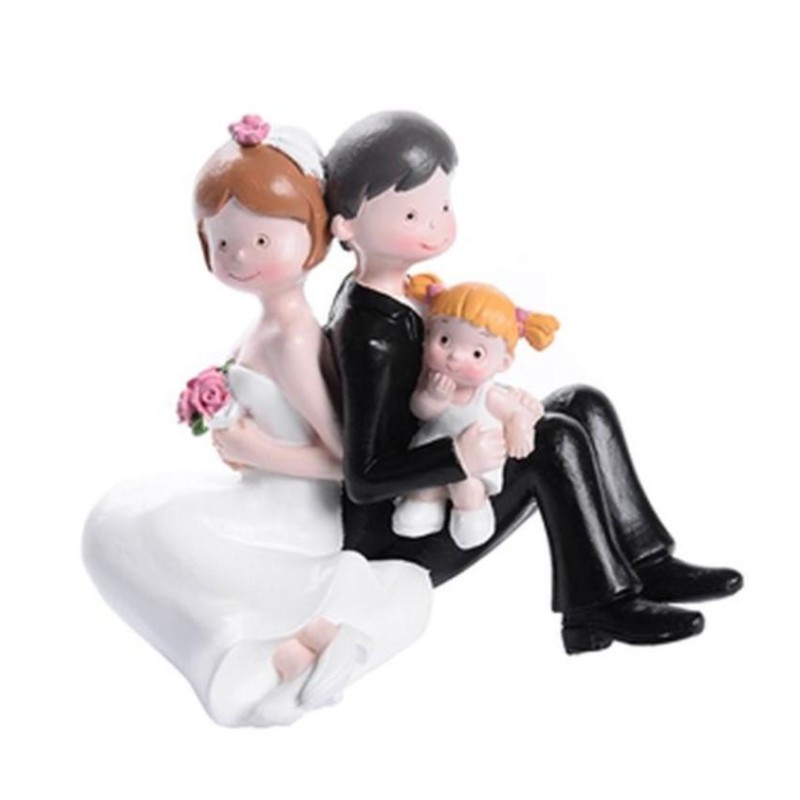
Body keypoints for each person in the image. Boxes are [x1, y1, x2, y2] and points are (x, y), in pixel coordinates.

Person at [324, 110, 743, 654]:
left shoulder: (408, 294)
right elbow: (365, 478)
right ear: (346, 227)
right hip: (404, 526)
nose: (436, 226)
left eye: (443, 208)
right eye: (411, 214)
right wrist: (459, 455)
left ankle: (643, 559)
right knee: (555, 439)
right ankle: (593, 605)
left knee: (583, 405)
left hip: (444, 467)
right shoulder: (370, 333)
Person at [82, 115, 432, 727]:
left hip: (294, 519)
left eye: (263, 240)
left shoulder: (292, 337)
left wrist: (255, 450)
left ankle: (312, 632)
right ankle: (289, 649)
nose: (240, 256)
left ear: (314, 234)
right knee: (120, 521)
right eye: (223, 244)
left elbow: (344, 461)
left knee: (139, 530)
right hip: (262, 499)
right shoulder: (269, 326)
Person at [392, 276, 558, 550]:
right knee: (425, 484)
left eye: (477, 354)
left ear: (503, 362)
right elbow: (420, 411)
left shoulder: (489, 395)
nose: (455, 357)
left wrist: (519, 429)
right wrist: (434, 397)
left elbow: (517, 413)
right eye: (444, 340)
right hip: (432, 455)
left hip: (477, 464)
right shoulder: (430, 383)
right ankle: (424, 506)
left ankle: (472, 516)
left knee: (466, 487)